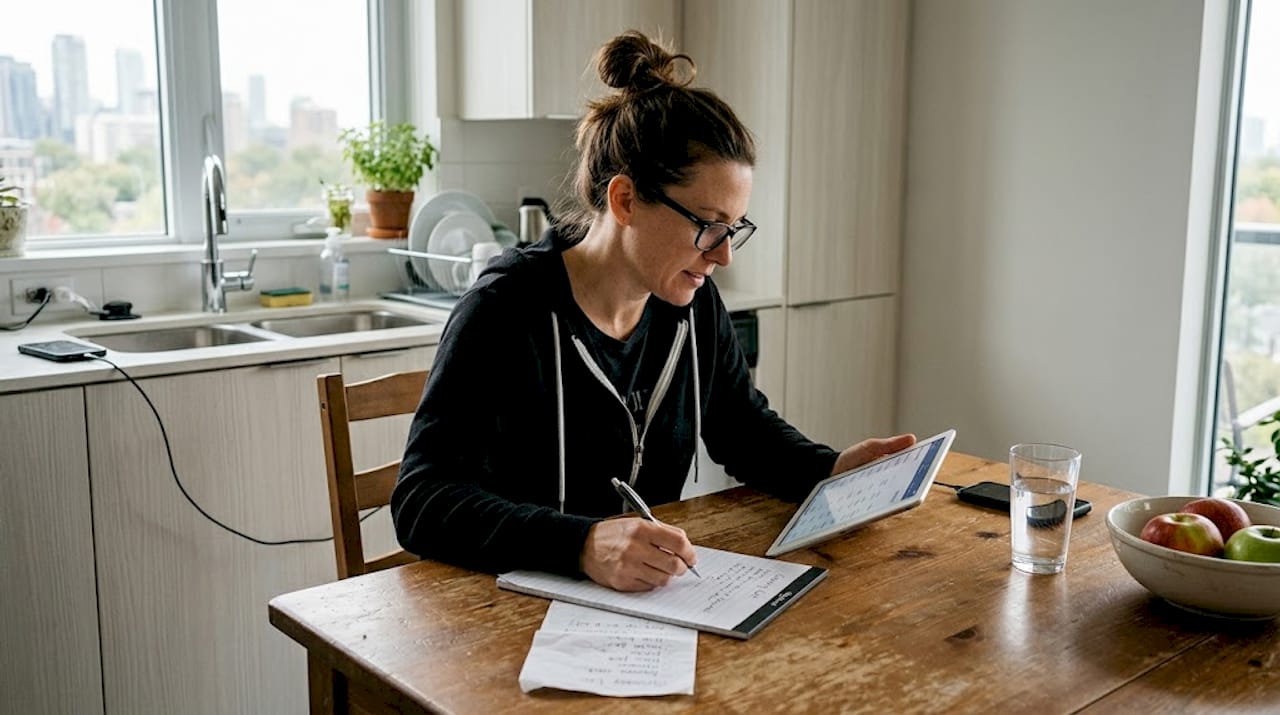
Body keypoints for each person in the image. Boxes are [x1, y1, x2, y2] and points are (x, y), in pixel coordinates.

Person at [391, 30, 915, 592]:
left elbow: (742, 429)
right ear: (625, 200)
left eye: (733, 228)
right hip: (506, 611)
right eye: (708, 225)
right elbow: (422, 499)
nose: (723, 254)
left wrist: (832, 471)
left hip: (646, 602)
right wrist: (583, 543)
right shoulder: (505, 310)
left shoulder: (688, 301)